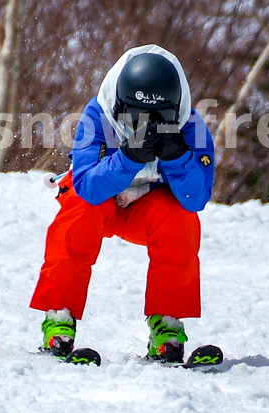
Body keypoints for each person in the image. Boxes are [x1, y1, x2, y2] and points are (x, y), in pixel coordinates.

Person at [30, 44, 215, 362]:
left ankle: (167, 327)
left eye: (158, 116)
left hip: (147, 209)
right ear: (119, 104)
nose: (144, 123)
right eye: (135, 114)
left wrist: (178, 157)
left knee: (181, 220)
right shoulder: (96, 116)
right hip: (99, 201)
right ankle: (58, 322)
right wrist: (128, 157)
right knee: (78, 213)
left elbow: (195, 198)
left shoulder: (191, 126)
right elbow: (87, 188)